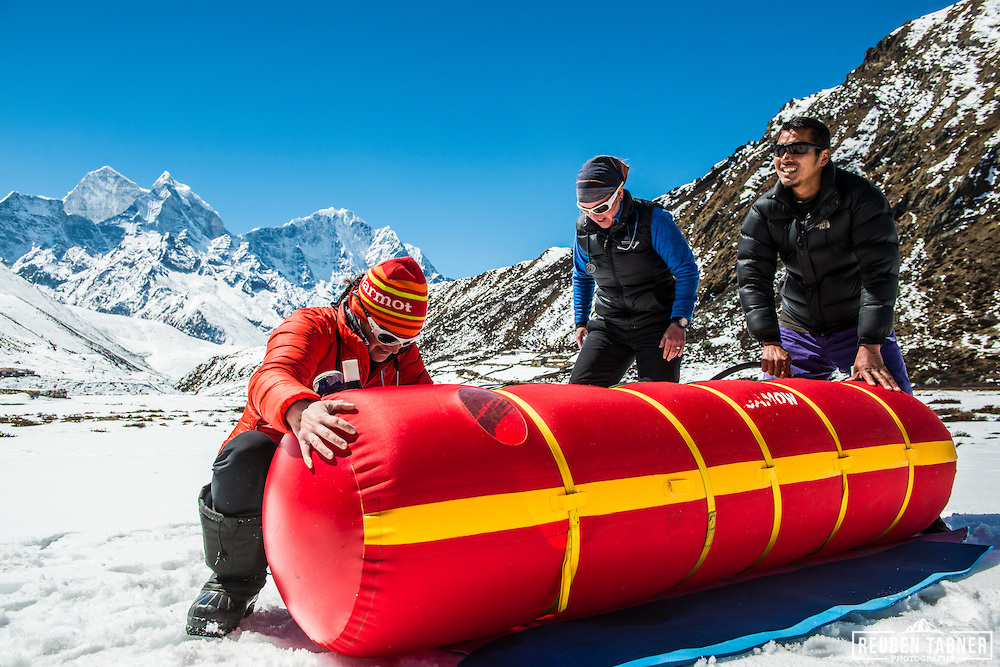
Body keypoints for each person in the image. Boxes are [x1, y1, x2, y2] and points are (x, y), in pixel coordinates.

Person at [185, 256, 433, 637]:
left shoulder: (399, 354)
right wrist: (301, 411)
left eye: (407, 342)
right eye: (385, 337)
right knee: (243, 458)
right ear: (358, 311)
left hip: (347, 465)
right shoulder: (312, 326)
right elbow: (270, 376)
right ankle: (232, 584)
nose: (393, 350)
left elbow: (424, 407)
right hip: (278, 446)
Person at [737, 116, 912, 393]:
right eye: (780, 150)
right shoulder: (765, 211)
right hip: (799, 328)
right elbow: (753, 278)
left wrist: (870, 344)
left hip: (856, 328)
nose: (786, 157)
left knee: (898, 409)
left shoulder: (861, 199)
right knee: (778, 413)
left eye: (797, 149)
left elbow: (879, 273)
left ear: (823, 156)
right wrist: (770, 341)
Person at [570, 155, 699, 386]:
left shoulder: (653, 220)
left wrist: (679, 323)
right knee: (578, 395)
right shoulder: (584, 230)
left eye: (601, 208)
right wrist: (581, 322)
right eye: (585, 210)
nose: (595, 217)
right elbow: (582, 276)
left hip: (656, 327)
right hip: (610, 326)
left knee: (658, 403)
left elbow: (686, 271)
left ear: (619, 193)